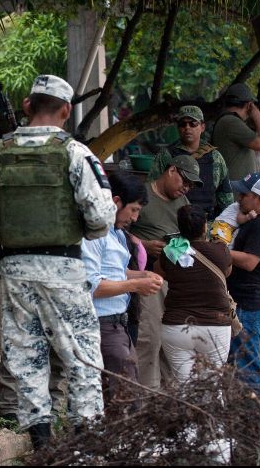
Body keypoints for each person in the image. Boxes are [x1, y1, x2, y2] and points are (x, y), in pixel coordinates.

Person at [0, 74, 116, 450]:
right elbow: (101, 217)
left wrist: (6, 226)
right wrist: (81, 233)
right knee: (80, 356)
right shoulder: (77, 154)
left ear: (27, 106)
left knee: (27, 357)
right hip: (63, 269)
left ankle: (41, 444)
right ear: (65, 110)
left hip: (15, 270)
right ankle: (84, 443)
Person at [81, 172, 163, 406]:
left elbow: (113, 272)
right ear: (116, 202)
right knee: (124, 403)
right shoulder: (93, 233)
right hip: (101, 325)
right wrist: (136, 284)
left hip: (119, 325)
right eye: (134, 210)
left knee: (125, 395)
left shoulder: (115, 232)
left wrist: (140, 275)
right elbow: (91, 284)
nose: (135, 218)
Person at [130, 154, 201, 389]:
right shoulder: (143, 195)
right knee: (149, 339)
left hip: (175, 280)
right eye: (185, 182)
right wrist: (144, 245)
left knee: (174, 341)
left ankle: (169, 402)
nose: (186, 189)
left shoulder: (183, 204)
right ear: (172, 171)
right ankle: (145, 396)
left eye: (191, 185)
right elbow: (117, 230)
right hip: (146, 278)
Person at [155, 205, 233, 383]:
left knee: (184, 390)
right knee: (213, 389)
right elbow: (227, 272)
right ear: (205, 226)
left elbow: (159, 272)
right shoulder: (221, 252)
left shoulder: (170, 254)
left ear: (179, 228)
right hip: (215, 327)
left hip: (176, 327)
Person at [227, 172, 260, 407]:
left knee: (249, 366)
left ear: (259, 198)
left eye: (244, 194)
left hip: (247, 305)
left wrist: (217, 251)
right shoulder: (253, 220)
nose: (239, 198)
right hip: (241, 302)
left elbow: (249, 262)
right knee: (237, 365)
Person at [148, 105, 233, 218]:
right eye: (183, 124)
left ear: (202, 127)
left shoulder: (215, 157)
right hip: (174, 221)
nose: (187, 127)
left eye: (193, 123)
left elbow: (226, 197)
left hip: (206, 223)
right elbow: (153, 189)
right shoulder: (166, 155)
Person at [211, 83, 260, 180]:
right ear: (249, 105)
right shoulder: (231, 122)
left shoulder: (229, 120)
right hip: (234, 191)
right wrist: (258, 119)